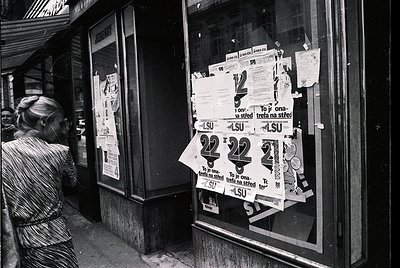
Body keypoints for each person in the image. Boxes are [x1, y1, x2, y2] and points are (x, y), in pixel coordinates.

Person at [1, 95, 79, 268]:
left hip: (18, 240)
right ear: (44, 122)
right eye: (60, 124)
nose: (61, 129)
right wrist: (65, 138)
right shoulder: (59, 151)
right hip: (54, 238)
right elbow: (72, 181)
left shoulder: (3, 152)